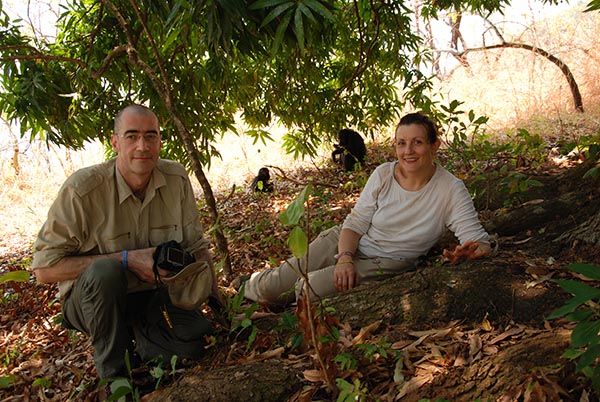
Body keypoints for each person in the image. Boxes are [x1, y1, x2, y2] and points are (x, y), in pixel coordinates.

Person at [30, 104, 218, 384]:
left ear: (160, 141)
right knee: (104, 273)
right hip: (92, 300)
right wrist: (126, 259)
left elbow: (197, 248)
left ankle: (141, 336)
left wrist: (220, 306)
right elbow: (44, 270)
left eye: (151, 136)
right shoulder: (82, 190)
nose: (142, 146)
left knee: (195, 346)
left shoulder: (176, 179)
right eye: (131, 136)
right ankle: (114, 378)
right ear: (115, 142)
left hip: (153, 294)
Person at [238, 112, 491, 304]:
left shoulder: (449, 189)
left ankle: (275, 297)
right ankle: (245, 287)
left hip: (388, 260)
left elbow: (477, 239)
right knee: (277, 283)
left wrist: (472, 252)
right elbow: (355, 222)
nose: (408, 151)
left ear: (434, 146)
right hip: (348, 242)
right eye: (401, 143)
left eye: (417, 143)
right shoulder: (383, 175)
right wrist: (345, 257)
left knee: (305, 288)